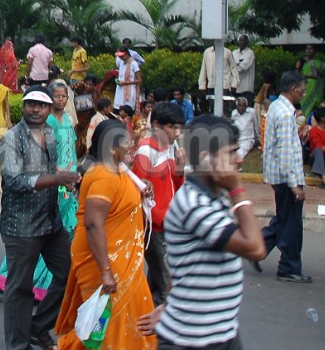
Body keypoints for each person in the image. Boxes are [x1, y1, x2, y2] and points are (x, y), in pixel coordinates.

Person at [141, 114, 266, 350]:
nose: (238, 160)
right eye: (231, 152)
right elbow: (256, 248)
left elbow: (185, 265)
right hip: (191, 340)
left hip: (221, 332)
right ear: (206, 159)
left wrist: (169, 305)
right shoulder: (194, 204)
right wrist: (237, 189)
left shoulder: (213, 195)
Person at [54, 119, 155, 349]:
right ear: (111, 148)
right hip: (105, 261)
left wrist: (144, 186)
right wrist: (106, 271)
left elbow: (124, 202)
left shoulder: (120, 171)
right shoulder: (104, 176)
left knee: (118, 321)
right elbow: (93, 225)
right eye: (127, 143)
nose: (133, 146)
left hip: (122, 260)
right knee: (105, 325)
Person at [0, 87, 79, 350]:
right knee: (20, 288)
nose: (35, 109)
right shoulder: (11, 138)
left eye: (41, 105)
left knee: (70, 273)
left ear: (49, 109)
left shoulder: (50, 133)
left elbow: (48, 168)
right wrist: (55, 178)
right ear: (23, 107)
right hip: (21, 226)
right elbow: (14, 180)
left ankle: (37, 328)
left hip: (50, 222)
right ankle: (18, 344)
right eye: (30, 104)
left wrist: (66, 177)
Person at [132, 101, 186, 305]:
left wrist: (180, 169)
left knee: (157, 279)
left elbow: (175, 185)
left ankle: (146, 322)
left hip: (166, 222)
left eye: (179, 127)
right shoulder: (146, 151)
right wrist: (164, 219)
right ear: (156, 125)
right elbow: (139, 192)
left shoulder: (170, 148)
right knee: (168, 281)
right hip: (155, 226)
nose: (176, 132)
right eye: (172, 127)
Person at [261, 71, 311, 282]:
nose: (304, 93)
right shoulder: (284, 113)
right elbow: (285, 151)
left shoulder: (277, 107)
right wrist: (294, 185)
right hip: (285, 178)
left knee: (284, 219)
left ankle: (257, 247)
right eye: (302, 89)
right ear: (292, 89)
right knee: (291, 224)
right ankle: (289, 267)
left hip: (279, 175)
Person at [297, 45, 325, 118]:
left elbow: (322, 75)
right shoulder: (301, 61)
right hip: (305, 86)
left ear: (314, 51)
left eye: (311, 49)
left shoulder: (318, 63)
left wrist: (319, 73)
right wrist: (310, 76)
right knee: (305, 104)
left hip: (316, 88)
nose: (309, 51)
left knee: (316, 104)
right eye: (307, 49)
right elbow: (297, 74)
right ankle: (304, 120)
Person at [116, 47, 143, 112]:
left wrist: (125, 82)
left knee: (127, 111)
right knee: (118, 110)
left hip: (129, 91)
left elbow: (139, 80)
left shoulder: (133, 64)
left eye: (122, 56)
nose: (121, 58)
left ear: (127, 54)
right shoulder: (121, 63)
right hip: (120, 90)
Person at [232, 95, 257, 163]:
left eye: (243, 106)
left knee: (242, 150)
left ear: (246, 106)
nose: (241, 108)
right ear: (237, 106)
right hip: (237, 140)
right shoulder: (234, 113)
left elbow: (256, 126)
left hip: (248, 140)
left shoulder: (252, 112)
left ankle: (235, 161)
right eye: (239, 106)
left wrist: (259, 140)